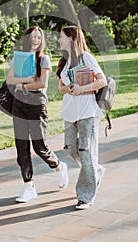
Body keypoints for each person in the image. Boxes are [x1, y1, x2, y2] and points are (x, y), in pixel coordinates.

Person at [6, 26, 69, 203]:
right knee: (21, 147)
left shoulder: (44, 59)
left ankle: (58, 166)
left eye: (39, 37)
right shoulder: (19, 57)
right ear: (27, 39)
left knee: (39, 146)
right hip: (19, 105)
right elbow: (10, 80)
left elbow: (41, 83)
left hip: (36, 105)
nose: (36, 40)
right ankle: (29, 186)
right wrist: (26, 80)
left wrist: (23, 85)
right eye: (33, 36)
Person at [56, 25, 107, 210]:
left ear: (71, 38)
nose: (59, 39)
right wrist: (68, 89)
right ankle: (95, 169)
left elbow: (102, 81)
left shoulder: (86, 57)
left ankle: (85, 196)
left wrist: (81, 89)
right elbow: (61, 87)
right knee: (70, 148)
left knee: (86, 151)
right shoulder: (65, 61)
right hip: (70, 111)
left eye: (61, 36)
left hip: (87, 111)